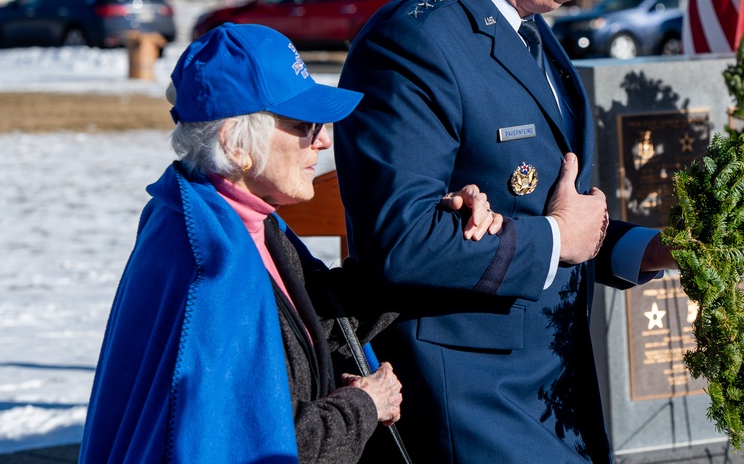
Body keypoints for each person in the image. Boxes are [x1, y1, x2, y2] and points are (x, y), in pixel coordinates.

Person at [334, 0, 676, 463]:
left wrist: (651, 249)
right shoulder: (414, 42)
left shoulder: (532, 35)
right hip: (467, 404)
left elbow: (553, 211)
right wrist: (556, 241)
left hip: (551, 394)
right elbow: (399, 240)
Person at [79, 23, 501, 463]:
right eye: (304, 125)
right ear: (236, 143)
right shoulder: (215, 267)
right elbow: (259, 447)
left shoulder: (229, 218)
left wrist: (434, 229)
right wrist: (364, 406)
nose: (323, 139)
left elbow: (313, 317)